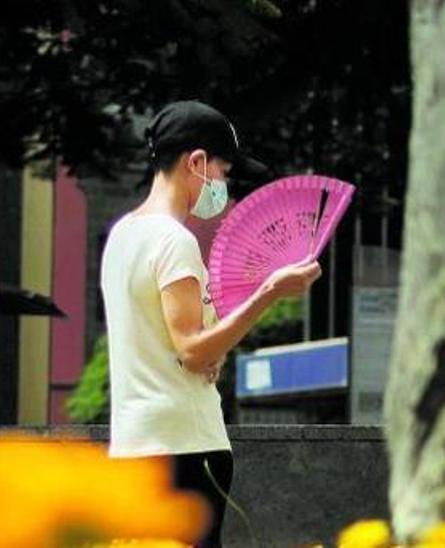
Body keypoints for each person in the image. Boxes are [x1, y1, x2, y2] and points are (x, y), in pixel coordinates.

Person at [101, 100, 322, 547]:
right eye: (222, 172)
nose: (223, 184)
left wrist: (210, 346)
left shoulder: (122, 235)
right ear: (196, 162)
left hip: (132, 444)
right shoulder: (174, 240)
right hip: (185, 445)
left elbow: (170, 343)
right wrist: (270, 292)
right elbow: (193, 349)